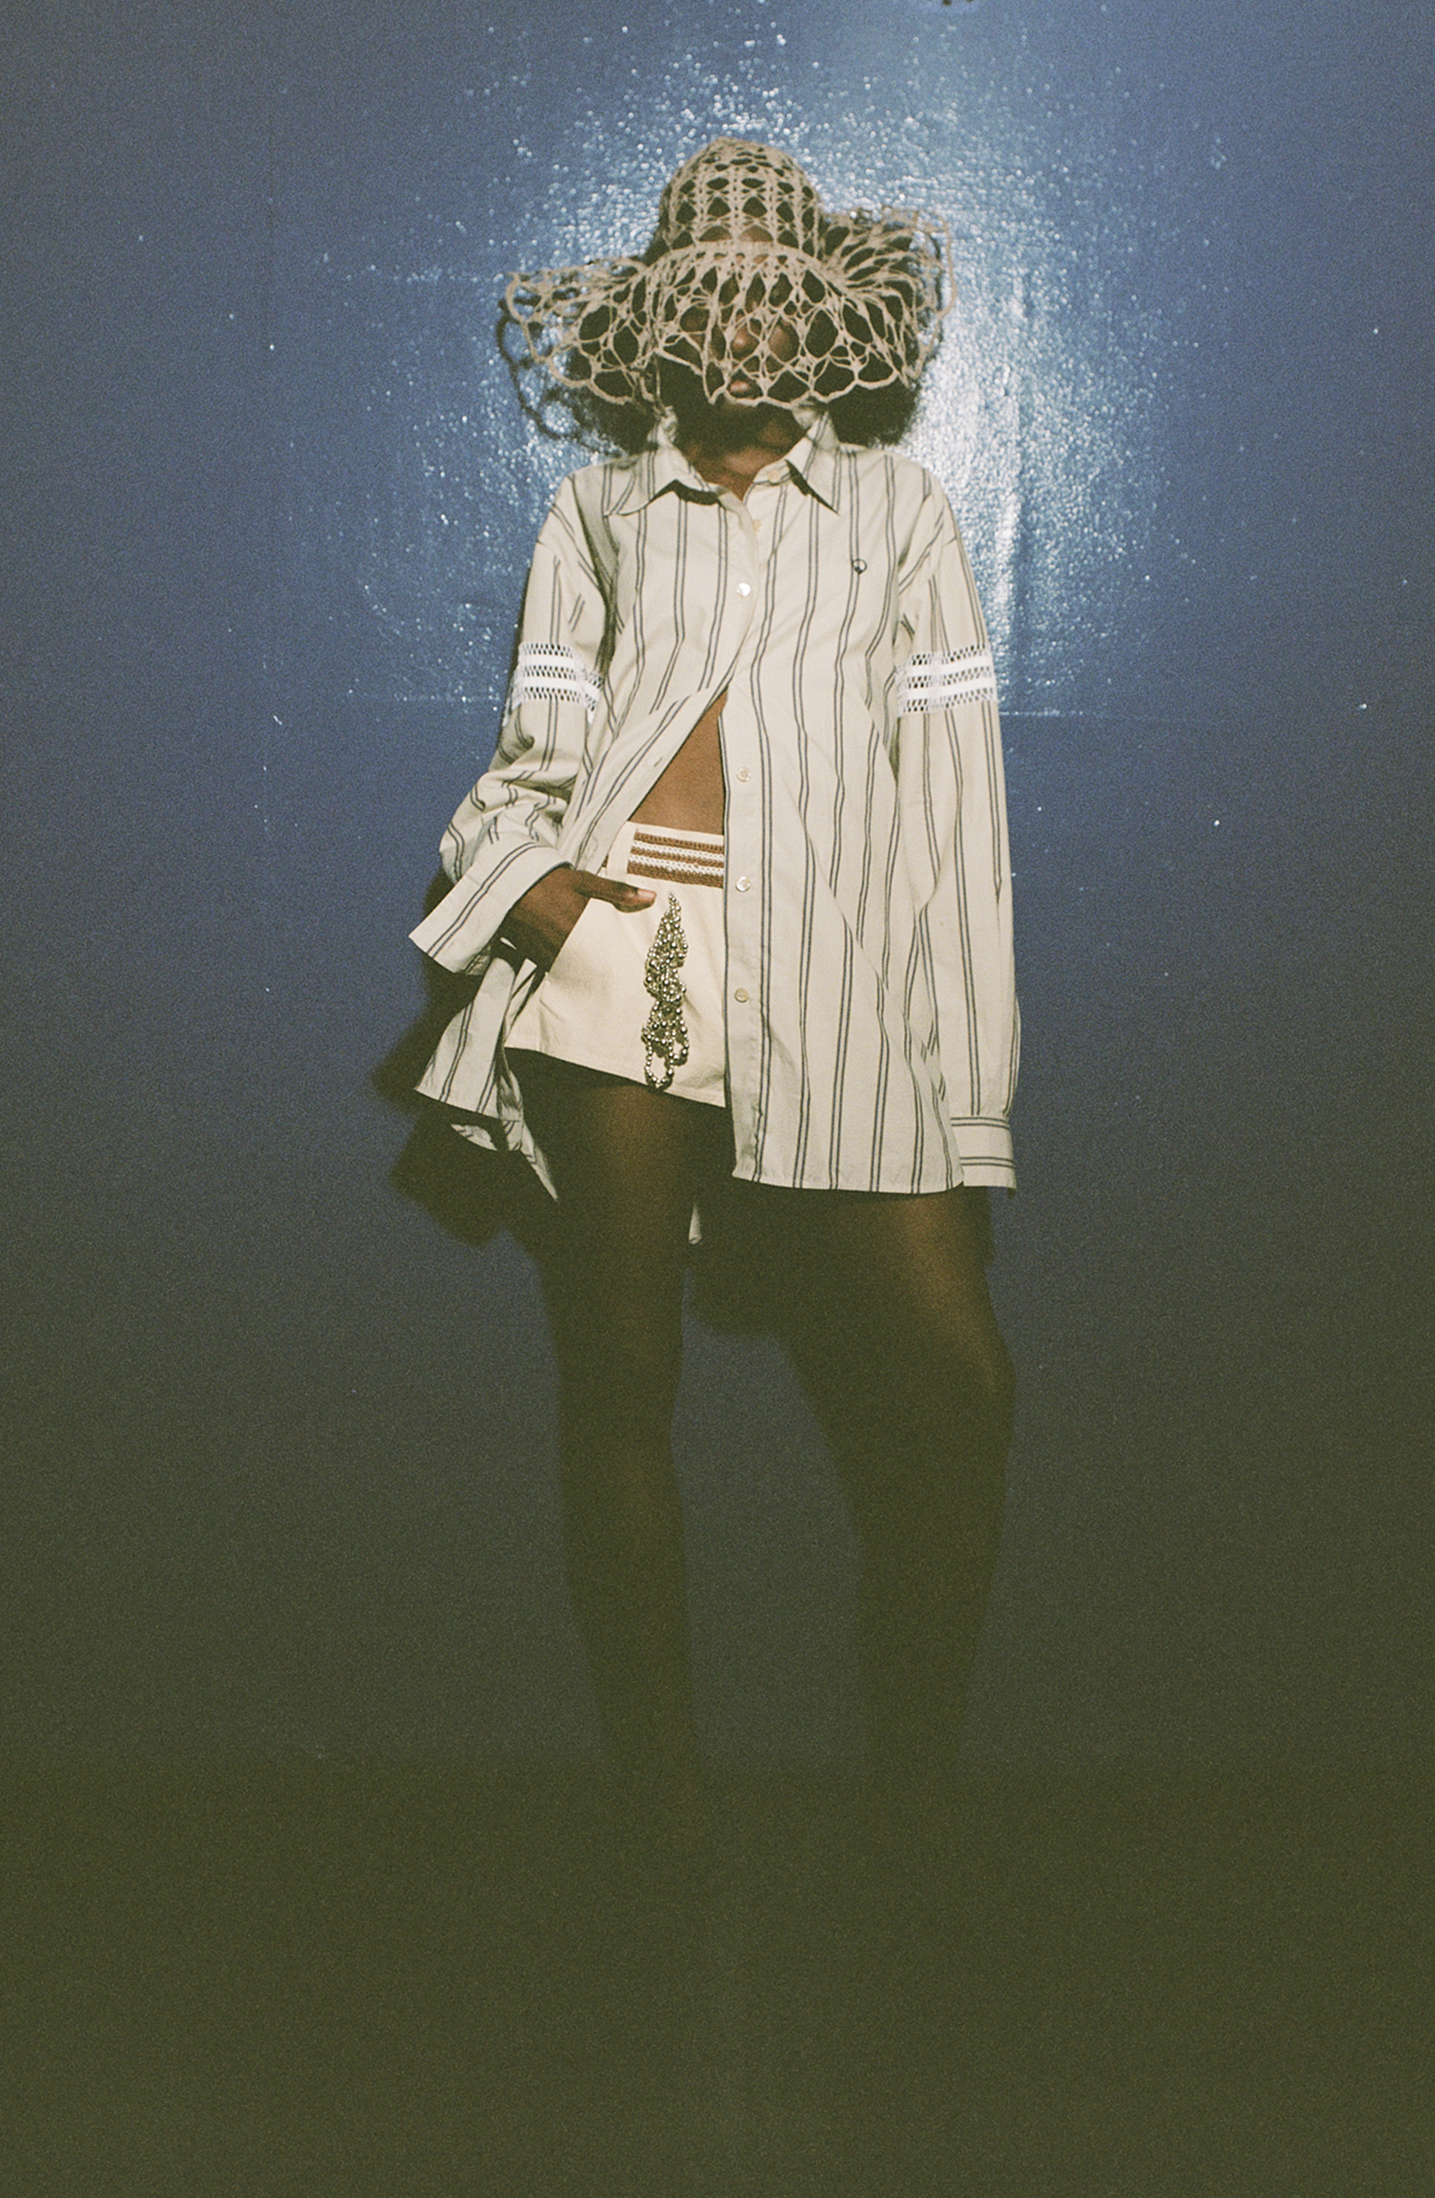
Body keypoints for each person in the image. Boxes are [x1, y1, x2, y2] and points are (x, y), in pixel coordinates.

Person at [410, 139, 1018, 1859]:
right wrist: (522, 869)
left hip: (836, 971)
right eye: (711, 298)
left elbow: (956, 823)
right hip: (617, 954)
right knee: (617, 1378)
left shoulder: (900, 512)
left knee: (963, 1380)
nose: (744, 331)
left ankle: (916, 1781)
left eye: (776, 298)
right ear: (661, 320)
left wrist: (966, 1102)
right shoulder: (601, 507)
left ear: (822, 320)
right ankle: (662, 1802)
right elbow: (535, 755)